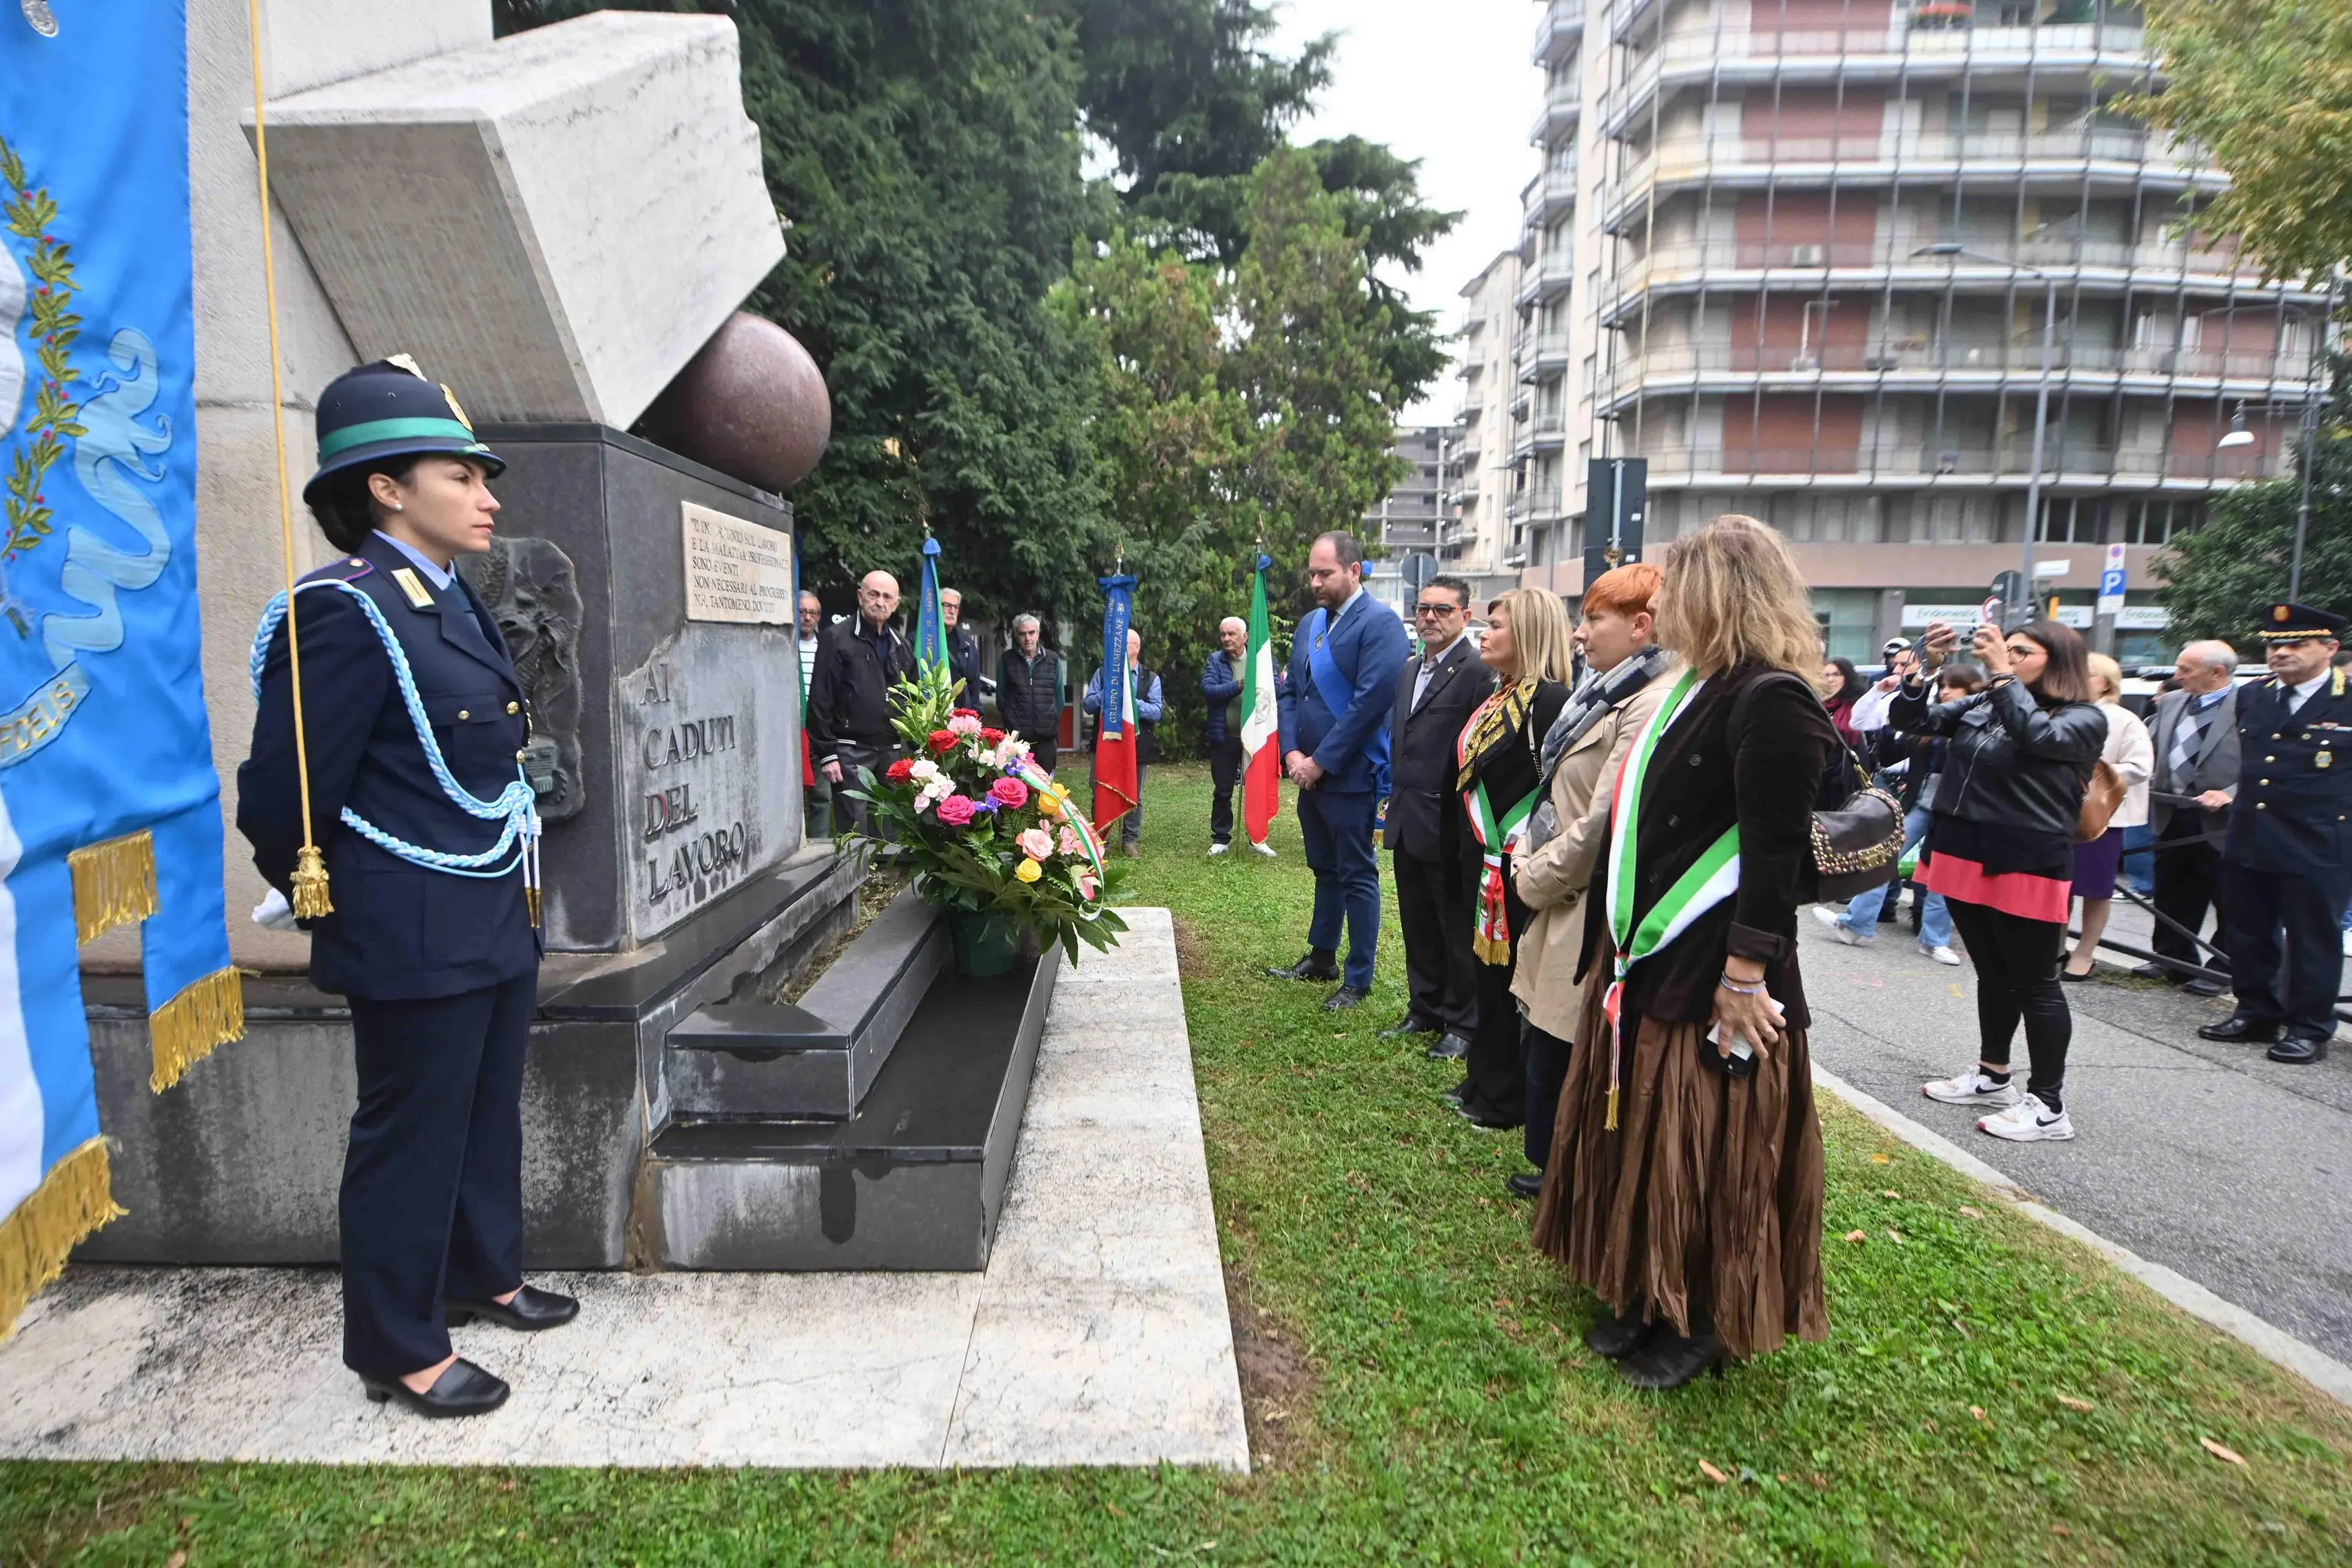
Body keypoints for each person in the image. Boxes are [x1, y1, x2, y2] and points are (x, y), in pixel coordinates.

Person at [238, 358, 577, 1420]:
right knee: (410, 1130)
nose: (489, 497)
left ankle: (483, 1272)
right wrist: (338, 902)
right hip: (411, 919)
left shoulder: (445, 599)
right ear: (386, 487)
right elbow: (283, 796)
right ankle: (398, 1344)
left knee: (482, 1112)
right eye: (462, 476)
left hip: (487, 903)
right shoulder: (342, 611)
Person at [1534, 515, 1839, 1388]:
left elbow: (1774, 852)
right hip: (1650, 962)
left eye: (1675, 589)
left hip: (1717, 976)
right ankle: (1645, 1289)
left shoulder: (1770, 696)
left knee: (1710, 1154)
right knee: (1648, 1137)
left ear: (1720, 593)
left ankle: (1704, 1317)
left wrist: (1746, 972)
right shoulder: (1690, 687)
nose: (1658, 603)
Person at [1899, 618, 2105, 1141]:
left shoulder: (2083, 717)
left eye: (2022, 652)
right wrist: (1925, 667)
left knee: (2035, 982)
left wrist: (1998, 674)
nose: (2009, 659)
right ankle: (1994, 1076)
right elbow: (1915, 719)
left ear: (2057, 661)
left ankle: (2050, 1106)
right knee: (1992, 971)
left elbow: (2037, 737)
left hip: (2026, 856)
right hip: (1963, 846)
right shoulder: (1989, 701)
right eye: (2006, 650)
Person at [1507, 563, 1673, 1199]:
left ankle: (1567, 1175)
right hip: (1555, 884)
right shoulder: (1607, 690)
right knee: (1548, 1038)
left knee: (1564, 1042)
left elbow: (1603, 822)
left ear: (1640, 626)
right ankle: (1554, 1167)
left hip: (1581, 897)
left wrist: (1531, 879)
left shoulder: (1648, 702)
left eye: (1594, 619)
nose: (1580, 634)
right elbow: (1556, 790)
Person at [2198, 604, 2352, 1064]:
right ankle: (2256, 1010)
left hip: (2318, 841)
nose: (2280, 653)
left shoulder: (2346, 698)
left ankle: (2309, 1027)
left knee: (2313, 939)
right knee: (2249, 932)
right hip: (2252, 835)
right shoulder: (2255, 695)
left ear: (2330, 648)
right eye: (2273, 644)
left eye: (2295, 644)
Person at [1268, 531, 1412, 1010]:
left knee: (1356, 874)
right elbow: (1289, 693)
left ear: (1355, 571)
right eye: (1311, 572)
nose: (1315, 582)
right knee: (1323, 868)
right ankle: (1322, 956)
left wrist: (1320, 762)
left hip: (1349, 776)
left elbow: (1370, 705)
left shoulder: (1382, 624)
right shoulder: (1311, 623)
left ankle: (1359, 977)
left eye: (1325, 573)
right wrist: (1291, 753)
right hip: (1306, 773)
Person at [1446, 588, 1574, 1129]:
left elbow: (1559, 789)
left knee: (1508, 978)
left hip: (1517, 862)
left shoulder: (1549, 702)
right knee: (1485, 973)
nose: (1485, 634)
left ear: (1527, 632)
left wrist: (1523, 849)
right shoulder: (1501, 695)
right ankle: (1484, 1076)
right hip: (1482, 855)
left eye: (1496, 626)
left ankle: (1506, 1097)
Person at [1381, 575, 1496, 1058]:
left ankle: (1462, 1023)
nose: (1429, 617)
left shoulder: (1477, 672)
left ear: (1466, 616)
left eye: (1443, 610)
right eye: (1423, 608)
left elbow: (1475, 754)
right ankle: (1423, 1008)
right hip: (1408, 816)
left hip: (1449, 824)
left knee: (1454, 927)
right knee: (1417, 921)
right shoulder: (1410, 668)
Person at [1813, 662, 1987, 964]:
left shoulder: (1980, 720)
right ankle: (1854, 923)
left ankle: (1934, 940)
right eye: (1942, 686)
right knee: (1886, 856)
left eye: (1952, 686)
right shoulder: (1933, 716)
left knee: (1942, 872)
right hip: (1924, 799)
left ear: (1971, 691)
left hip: (1960, 806)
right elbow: (1864, 721)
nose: (1944, 692)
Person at [2134, 640, 2241, 996]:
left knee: (2228, 896)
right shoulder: (2174, 701)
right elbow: (2152, 745)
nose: (2177, 676)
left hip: (2222, 818)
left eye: (2186, 670)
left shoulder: (2248, 706)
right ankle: (2172, 959)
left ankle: (2223, 967)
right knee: (2173, 888)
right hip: (2172, 809)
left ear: (2217, 672)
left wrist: (2232, 793)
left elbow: (2265, 761)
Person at [2063, 653, 2154, 980]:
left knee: (2095, 889)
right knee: (2060, 886)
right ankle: (2057, 947)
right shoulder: (2063, 712)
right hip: (2057, 814)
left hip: (2101, 817)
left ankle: (2085, 953)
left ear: (2105, 682)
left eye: (2086, 674)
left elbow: (2141, 766)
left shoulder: (2124, 719)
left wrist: (2094, 776)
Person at [807, 570, 914, 836]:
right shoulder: (836, 638)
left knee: (890, 827)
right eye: (873, 594)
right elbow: (821, 698)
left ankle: (886, 879)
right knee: (854, 830)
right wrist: (827, 754)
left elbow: (914, 699)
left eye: (887, 597)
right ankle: (853, 877)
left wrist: (916, 746)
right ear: (860, 597)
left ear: (896, 603)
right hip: (850, 750)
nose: (880, 602)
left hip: (891, 750)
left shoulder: (901, 645)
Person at [1084, 627, 1164, 857]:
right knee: (1100, 790)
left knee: (1134, 795)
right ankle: (1102, 839)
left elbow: (1157, 712)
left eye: (1124, 643)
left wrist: (1131, 702)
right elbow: (1088, 705)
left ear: (1136, 647)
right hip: (1105, 744)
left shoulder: (1151, 678)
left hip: (1136, 746)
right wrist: (1106, 694)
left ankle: (1130, 840)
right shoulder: (1102, 674)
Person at [1203, 616, 1249, 856]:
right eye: (1223, 634)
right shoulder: (1215, 661)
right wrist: (1237, 687)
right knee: (1223, 790)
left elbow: (1275, 689)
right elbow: (1209, 691)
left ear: (1245, 637)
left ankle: (1257, 837)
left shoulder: (1260, 659)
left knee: (1256, 790)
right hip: (1224, 737)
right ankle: (1221, 837)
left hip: (1255, 738)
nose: (1227, 639)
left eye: (1232, 634)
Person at [997, 612, 1063, 775]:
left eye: (1031, 633)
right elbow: (1001, 697)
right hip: (1018, 740)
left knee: (1046, 786)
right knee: (1019, 787)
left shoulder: (1053, 660)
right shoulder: (1007, 660)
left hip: (1046, 739)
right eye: (1022, 634)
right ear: (1017, 636)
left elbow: (1059, 697)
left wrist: (1051, 718)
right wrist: (1012, 721)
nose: (1028, 638)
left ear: (1038, 634)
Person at [798, 590, 829, 839]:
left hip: (819, 731)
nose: (807, 617)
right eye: (801, 611)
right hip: (792, 732)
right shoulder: (782, 646)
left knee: (822, 796)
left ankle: (817, 846)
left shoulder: (827, 647)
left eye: (812, 613)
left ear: (819, 617)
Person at [938, 587, 987, 708]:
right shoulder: (919, 639)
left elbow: (974, 685)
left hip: (960, 714)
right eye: (947, 605)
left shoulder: (967, 644)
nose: (952, 611)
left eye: (956, 607)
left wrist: (976, 713)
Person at [1820, 655, 1867, 750]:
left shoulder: (1859, 705)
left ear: (1847, 677)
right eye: (1827, 675)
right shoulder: (1818, 704)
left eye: (1836, 675)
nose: (1830, 680)